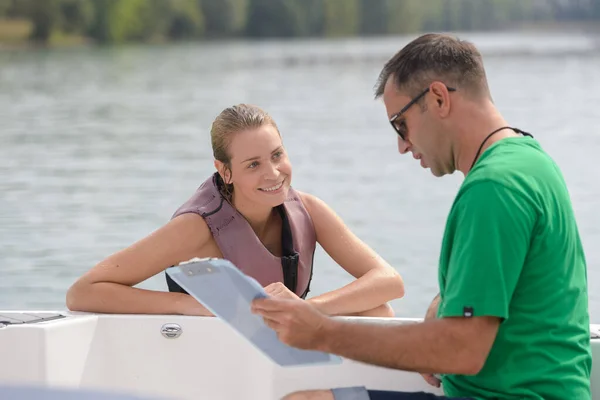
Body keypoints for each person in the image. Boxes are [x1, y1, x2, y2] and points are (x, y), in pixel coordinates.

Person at [251, 33, 592, 400]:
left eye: (401, 124)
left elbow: (462, 349)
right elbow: (499, 291)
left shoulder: (493, 188)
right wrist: (443, 304)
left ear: (439, 98)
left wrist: (320, 332)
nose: (402, 145)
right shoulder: (529, 160)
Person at [66, 104, 405, 318]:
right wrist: (192, 306)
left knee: (378, 311)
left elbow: (389, 281)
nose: (272, 174)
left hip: (276, 346)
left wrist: (305, 309)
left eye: (277, 155)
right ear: (225, 171)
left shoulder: (309, 210)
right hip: (211, 353)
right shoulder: (197, 227)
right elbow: (83, 292)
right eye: (253, 164)